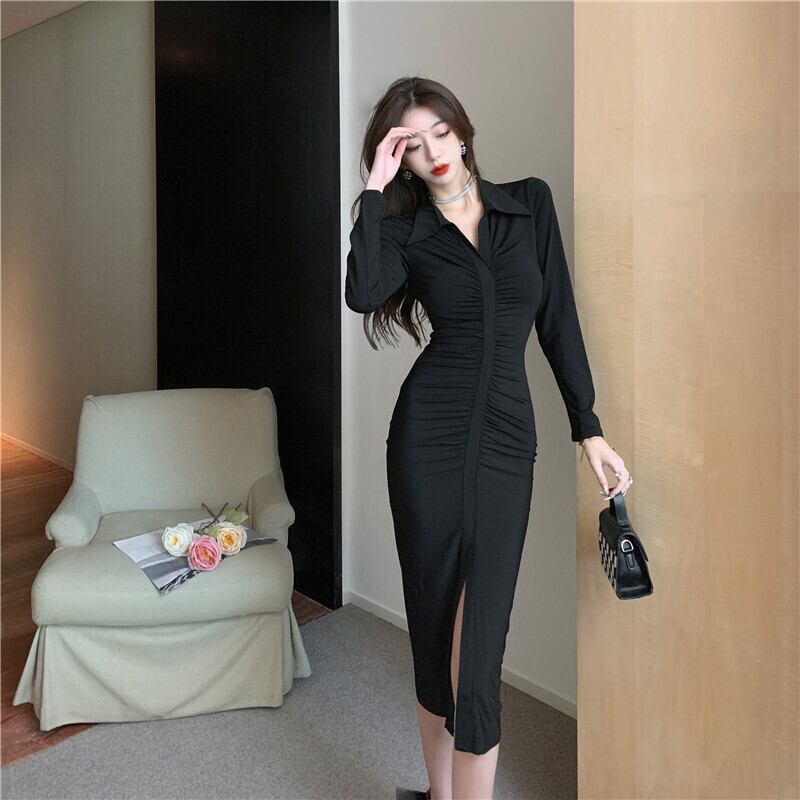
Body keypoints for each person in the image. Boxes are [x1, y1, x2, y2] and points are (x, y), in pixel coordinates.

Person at [345, 76, 632, 800]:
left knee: (478, 654)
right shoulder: (406, 231)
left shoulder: (528, 204)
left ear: (463, 130)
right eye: (413, 144)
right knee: (433, 627)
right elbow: (363, 291)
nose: (434, 151)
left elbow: (558, 321)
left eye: (441, 132)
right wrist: (373, 191)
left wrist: (589, 429)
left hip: (507, 439)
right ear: (399, 158)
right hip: (427, 441)